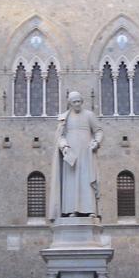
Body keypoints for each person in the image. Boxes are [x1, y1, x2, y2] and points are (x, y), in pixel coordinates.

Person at [48, 90, 103, 220]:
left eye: (79, 101)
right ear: (70, 103)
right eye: (74, 102)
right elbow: (60, 136)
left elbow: (99, 131)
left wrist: (96, 142)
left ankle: (90, 210)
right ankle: (71, 210)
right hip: (71, 156)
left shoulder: (89, 115)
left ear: (82, 102)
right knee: (71, 183)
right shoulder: (64, 118)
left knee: (87, 181)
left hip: (86, 154)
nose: (77, 104)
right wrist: (64, 146)